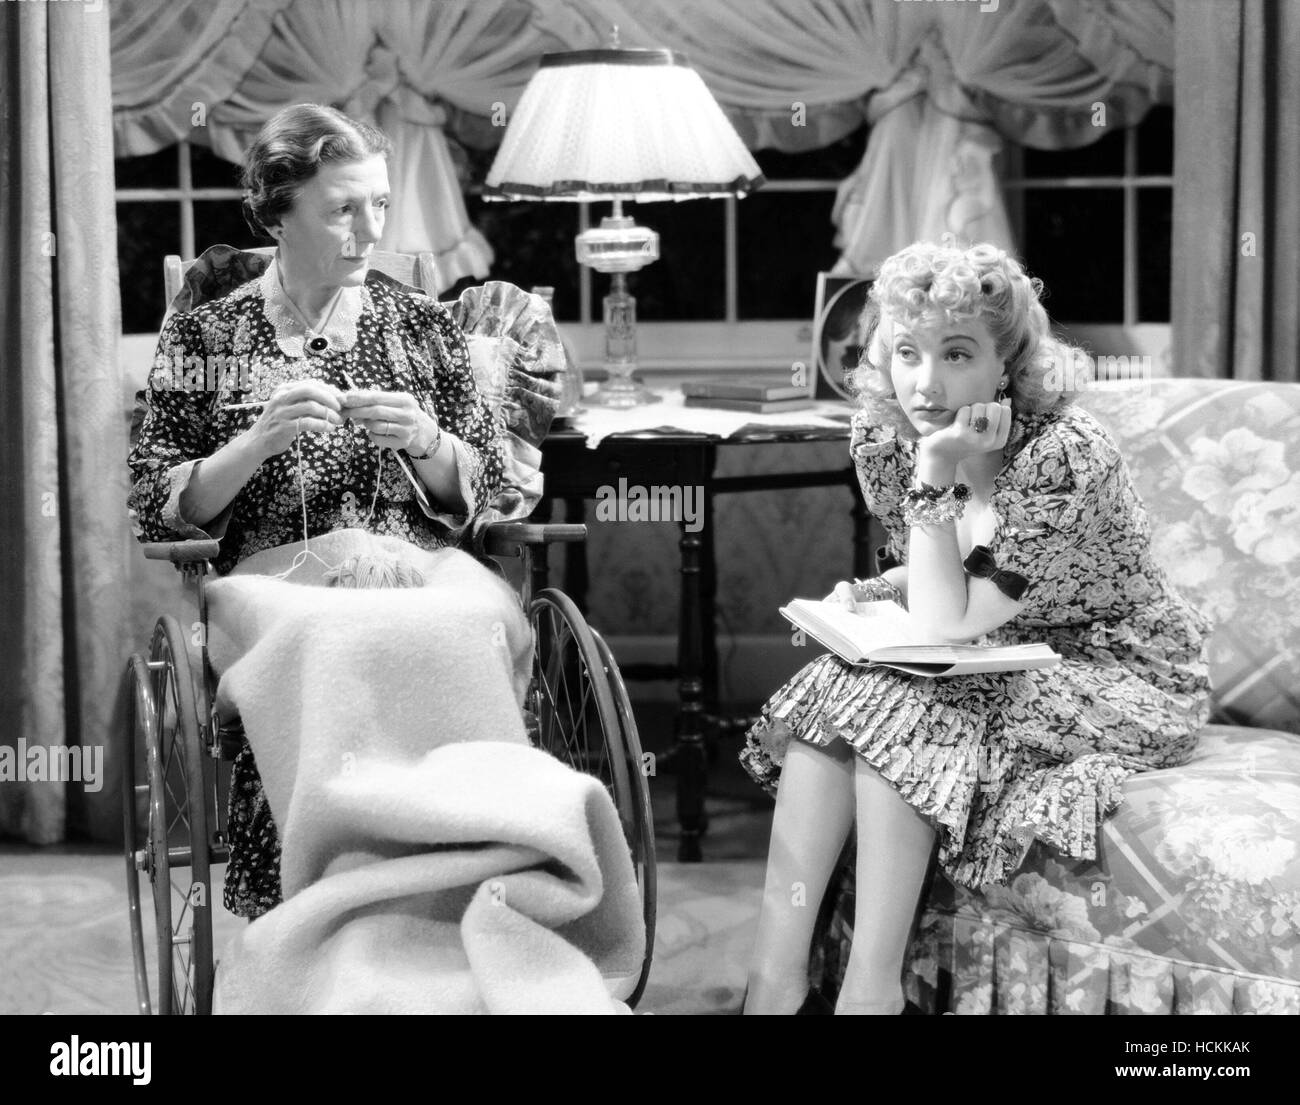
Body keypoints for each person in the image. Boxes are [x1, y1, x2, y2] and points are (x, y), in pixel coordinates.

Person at [739, 240, 1212, 1015]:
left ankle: (869, 993)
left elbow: (950, 617)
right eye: (906, 352)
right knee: (837, 684)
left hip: (1118, 672)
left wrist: (936, 468)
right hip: (998, 645)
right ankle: (775, 984)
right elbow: (947, 572)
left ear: (1006, 363)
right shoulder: (886, 436)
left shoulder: (1064, 455)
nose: (925, 382)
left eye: (956, 354)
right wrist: (870, 589)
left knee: (911, 703)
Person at [128, 103, 512, 919]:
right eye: (342, 208)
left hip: (411, 569)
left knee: (464, 621)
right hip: (276, 585)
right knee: (324, 635)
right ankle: (326, 901)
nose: (368, 229)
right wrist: (254, 445)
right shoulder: (206, 338)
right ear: (278, 212)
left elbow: (487, 485)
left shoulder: (421, 324)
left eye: (378, 203)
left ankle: (451, 888)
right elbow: (156, 500)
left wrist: (427, 439)